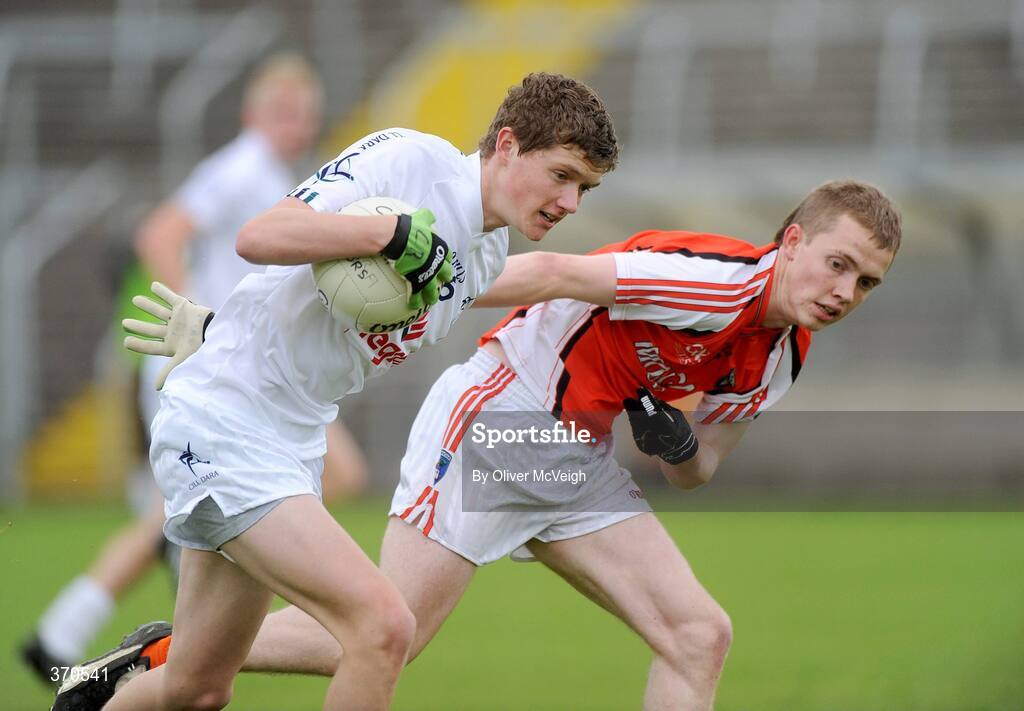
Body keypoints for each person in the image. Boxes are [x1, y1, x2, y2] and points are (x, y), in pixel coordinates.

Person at [62, 180, 900, 710]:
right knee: (382, 631)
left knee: (698, 634)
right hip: (506, 418)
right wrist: (417, 283)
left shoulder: (785, 353)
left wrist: (678, 443)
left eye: (865, 282)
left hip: (576, 454)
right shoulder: (707, 279)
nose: (844, 291)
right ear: (791, 242)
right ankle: (160, 658)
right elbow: (550, 274)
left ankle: (162, 655)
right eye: (836, 264)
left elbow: (700, 468)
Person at [51, 71, 619, 711]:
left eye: (585, 189)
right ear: (510, 145)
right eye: (563, 176)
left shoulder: (485, 254)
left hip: (289, 439)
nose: (571, 202)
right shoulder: (410, 159)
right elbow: (259, 238)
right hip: (227, 420)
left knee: (197, 688)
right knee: (384, 627)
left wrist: (224, 327)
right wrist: (386, 234)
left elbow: (342, 321)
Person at [20, 52, 371, 689]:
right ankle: (116, 629)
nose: (295, 125)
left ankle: (64, 638)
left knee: (193, 512)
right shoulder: (241, 167)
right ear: (251, 114)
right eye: (282, 113)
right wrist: (197, 321)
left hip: (249, 375)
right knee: (186, 514)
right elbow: (160, 232)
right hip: (210, 366)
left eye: (304, 116)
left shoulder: (280, 174)